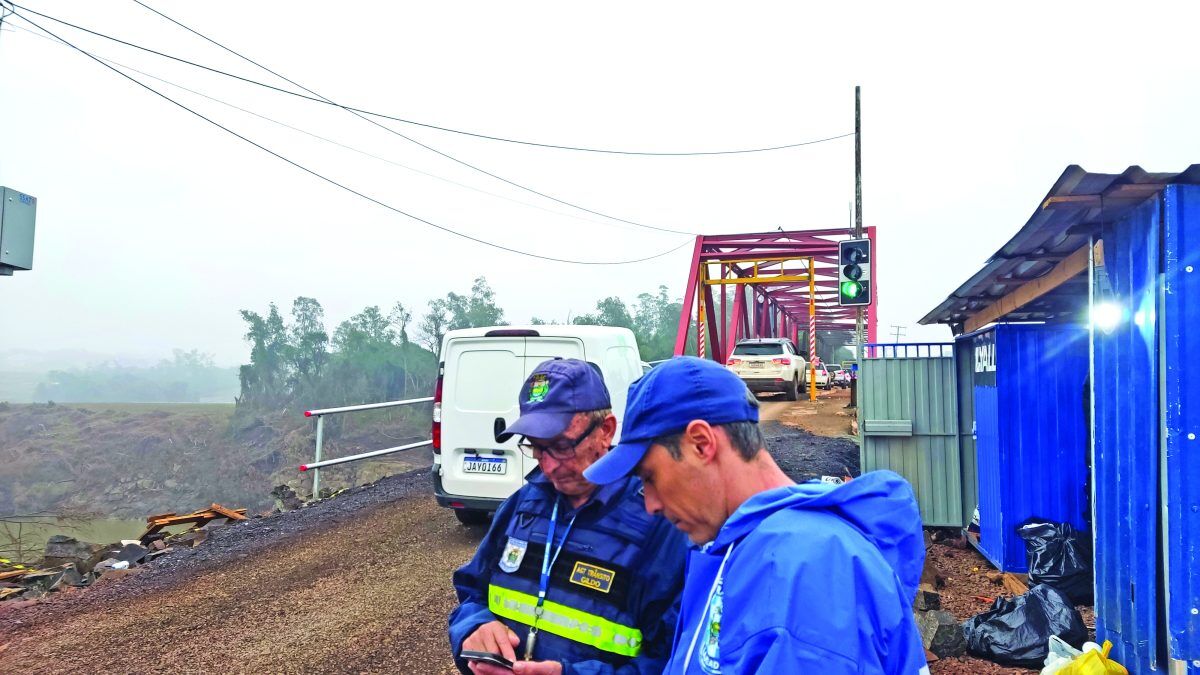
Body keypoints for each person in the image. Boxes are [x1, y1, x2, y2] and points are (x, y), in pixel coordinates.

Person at [583, 356, 929, 675]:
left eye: (650, 478)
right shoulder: (748, 546)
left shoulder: (806, 568)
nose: (651, 505)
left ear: (702, 443)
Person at [449, 358, 688, 675]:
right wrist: (472, 628)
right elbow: (472, 593)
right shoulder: (520, 506)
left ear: (606, 431)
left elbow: (672, 660)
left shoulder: (659, 523)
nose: (548, 466)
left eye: (561, 446)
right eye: (535, 447)